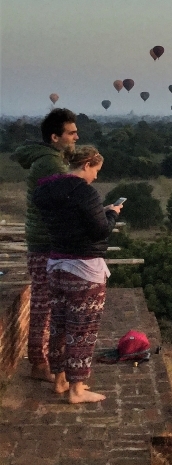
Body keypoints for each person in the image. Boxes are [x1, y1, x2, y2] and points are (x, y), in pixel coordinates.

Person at [31, 145, 118, 404]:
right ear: (87, 164)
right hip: (84, 269)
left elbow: (68, 221)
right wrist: (111, 214)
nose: (96, 177)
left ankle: (60, 380)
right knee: (82, 329)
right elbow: (100, 231)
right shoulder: (85, 192)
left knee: (58, 325)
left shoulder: (45, 190)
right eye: (96, 170)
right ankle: (77, 390)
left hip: (56, 264)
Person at [10, 108, 77, 384]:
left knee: (45, 302)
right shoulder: (51, 164)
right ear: (54, 137)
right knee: (44, 304)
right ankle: (38, 362)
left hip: (41, 240)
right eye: (71, 134)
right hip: (45, 242)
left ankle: (42, 359)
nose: (76, 138)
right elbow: (69, 200)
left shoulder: (46, 157)